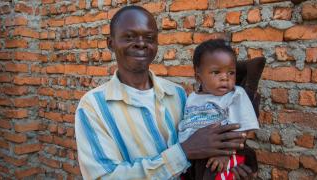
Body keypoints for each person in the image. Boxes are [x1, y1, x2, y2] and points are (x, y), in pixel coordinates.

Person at [75, 5, 254, 179]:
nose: (140, 44)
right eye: (129, 37)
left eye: (149, 37)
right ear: (110, 43)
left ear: (157, 43)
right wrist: (183, 153)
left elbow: (208, 148)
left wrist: (228, 168)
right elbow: (105, 176)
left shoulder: (177, 94)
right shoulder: (93, 107)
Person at [178, 39, 259, 180]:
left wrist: (225, 153)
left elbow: (243, 128)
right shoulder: (191, 98)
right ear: (199, 77)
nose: (225, 78)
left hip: (224, 155)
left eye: (231, 73)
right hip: (193, 156)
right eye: (216, 72)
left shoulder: (235, 94)